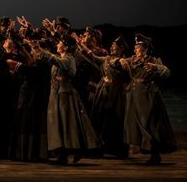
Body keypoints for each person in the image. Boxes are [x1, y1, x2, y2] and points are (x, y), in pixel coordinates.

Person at [28, 36, 100, 165]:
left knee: (67, 124)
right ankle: (61, 152)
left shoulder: (69, 59)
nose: (57, 45)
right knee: (57, 124)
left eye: (59, 43)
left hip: (65, 96)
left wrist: (41, 50)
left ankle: (70, 151)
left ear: (65, 46)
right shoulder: (61, 58)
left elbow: (58, 62)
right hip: (56, 94)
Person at [123, 34, 176, 164]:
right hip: (134, 96)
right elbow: (117, 63)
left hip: (148, 96)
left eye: (138, 47)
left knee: (150, 124)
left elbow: (167, 72)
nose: (135, 50)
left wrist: (155, 67)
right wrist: (120, 61)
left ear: (145, 49)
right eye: (135, 47)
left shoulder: (153, 60)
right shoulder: (132, 60)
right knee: (134, 124)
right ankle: (137, 147)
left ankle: (155, 153)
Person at [79, 36, 130, 158]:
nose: (112, 47)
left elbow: (128, 79)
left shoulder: (123, 62)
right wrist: (80, 45)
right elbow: (92, 56)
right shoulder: (106, 59)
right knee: (101, 117)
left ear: (121, 49)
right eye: (112, 46)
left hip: (116, 94)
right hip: (103, 92)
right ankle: (101, 147)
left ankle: (118, 149)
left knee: (116, 119)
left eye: (115, 46)